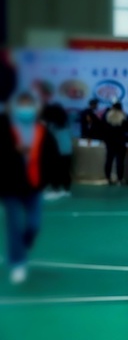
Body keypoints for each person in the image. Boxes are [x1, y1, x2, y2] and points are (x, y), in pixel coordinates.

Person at [0, 91, 59, 284]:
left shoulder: (41, 130)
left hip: (34, 184)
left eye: (28, 105)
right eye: (22, 105)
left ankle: (22, 245)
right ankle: (17, 262)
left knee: (34, 224)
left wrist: (49, 179)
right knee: (14, 225)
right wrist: (13, 151)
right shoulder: (6, 129)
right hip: (10, 186)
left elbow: (51, 155)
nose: (25, 109)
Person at [41, 100, 73, 199]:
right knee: (65, 171)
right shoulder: (66, 123)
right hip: (67, 150)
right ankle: (66, 190)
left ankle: (56, 189)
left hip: (56, 151)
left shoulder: (51, 125)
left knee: (54, 171)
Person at [103, 102, 128, 185]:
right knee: (120, 161)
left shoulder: (108, 116)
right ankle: (119, 179)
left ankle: (108, 178)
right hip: (120, 142)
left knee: (109, 160)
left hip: (110, 142)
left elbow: (103, 129)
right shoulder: (124, 116)